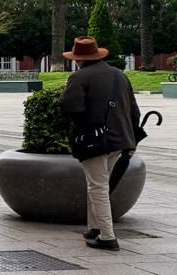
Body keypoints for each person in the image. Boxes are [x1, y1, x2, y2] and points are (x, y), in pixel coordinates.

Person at [59, 35, 141, 251]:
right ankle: (94, 227)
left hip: (94, 141)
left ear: (78, 59)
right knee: (98, 183)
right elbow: (133, 109)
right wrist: (131, 141)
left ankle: (107, 236)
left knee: (97, 186)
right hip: (119, 140)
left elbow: (69, 108)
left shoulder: (79, 78)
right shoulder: (119, 76)